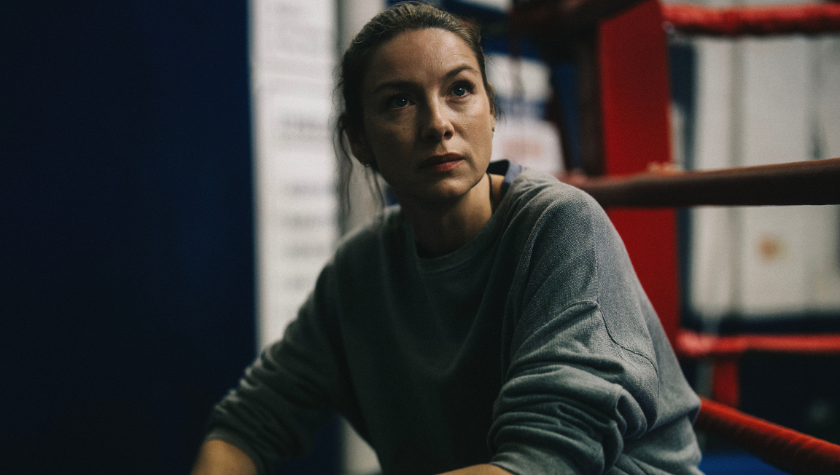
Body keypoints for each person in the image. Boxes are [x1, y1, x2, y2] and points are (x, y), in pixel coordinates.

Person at [190, 2, 704, 474]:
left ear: (491, 108)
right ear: (360, 140)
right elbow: (247, 424)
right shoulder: (362, 270)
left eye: (460, 89)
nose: (438, 123)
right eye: (399, 102)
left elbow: (543, 463)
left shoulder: (560, 227)